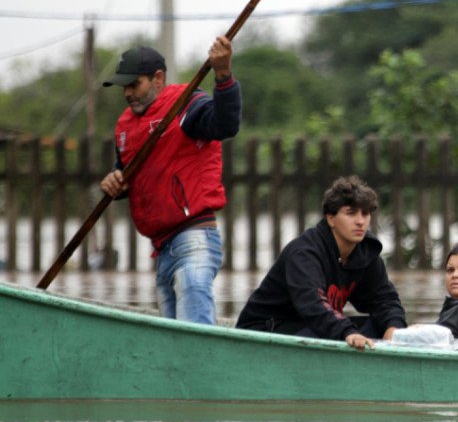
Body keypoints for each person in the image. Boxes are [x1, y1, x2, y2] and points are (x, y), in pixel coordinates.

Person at [99, 39, 242, 324]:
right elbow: (127, 175)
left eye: (134, 85)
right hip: (162, 250)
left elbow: (226, 125)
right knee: (174, 344)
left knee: (193, 336)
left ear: (158, 79)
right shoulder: (125, 126)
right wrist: (114, 184)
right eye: (123, 87)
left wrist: (223, 74)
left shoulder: (187, 105)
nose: (127, 93)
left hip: (194, 240)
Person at [236, 176, 408, 351]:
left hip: (314, 327)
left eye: (365, 214)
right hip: (267, 330)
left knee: (380, 326)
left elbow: (385, 299)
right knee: (335, 333)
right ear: (331, 218)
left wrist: (393, 329)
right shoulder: (305, 253)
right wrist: (346, 332)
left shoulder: (365, 253)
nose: (360, 221)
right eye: (351, 213)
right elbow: (313, 304)